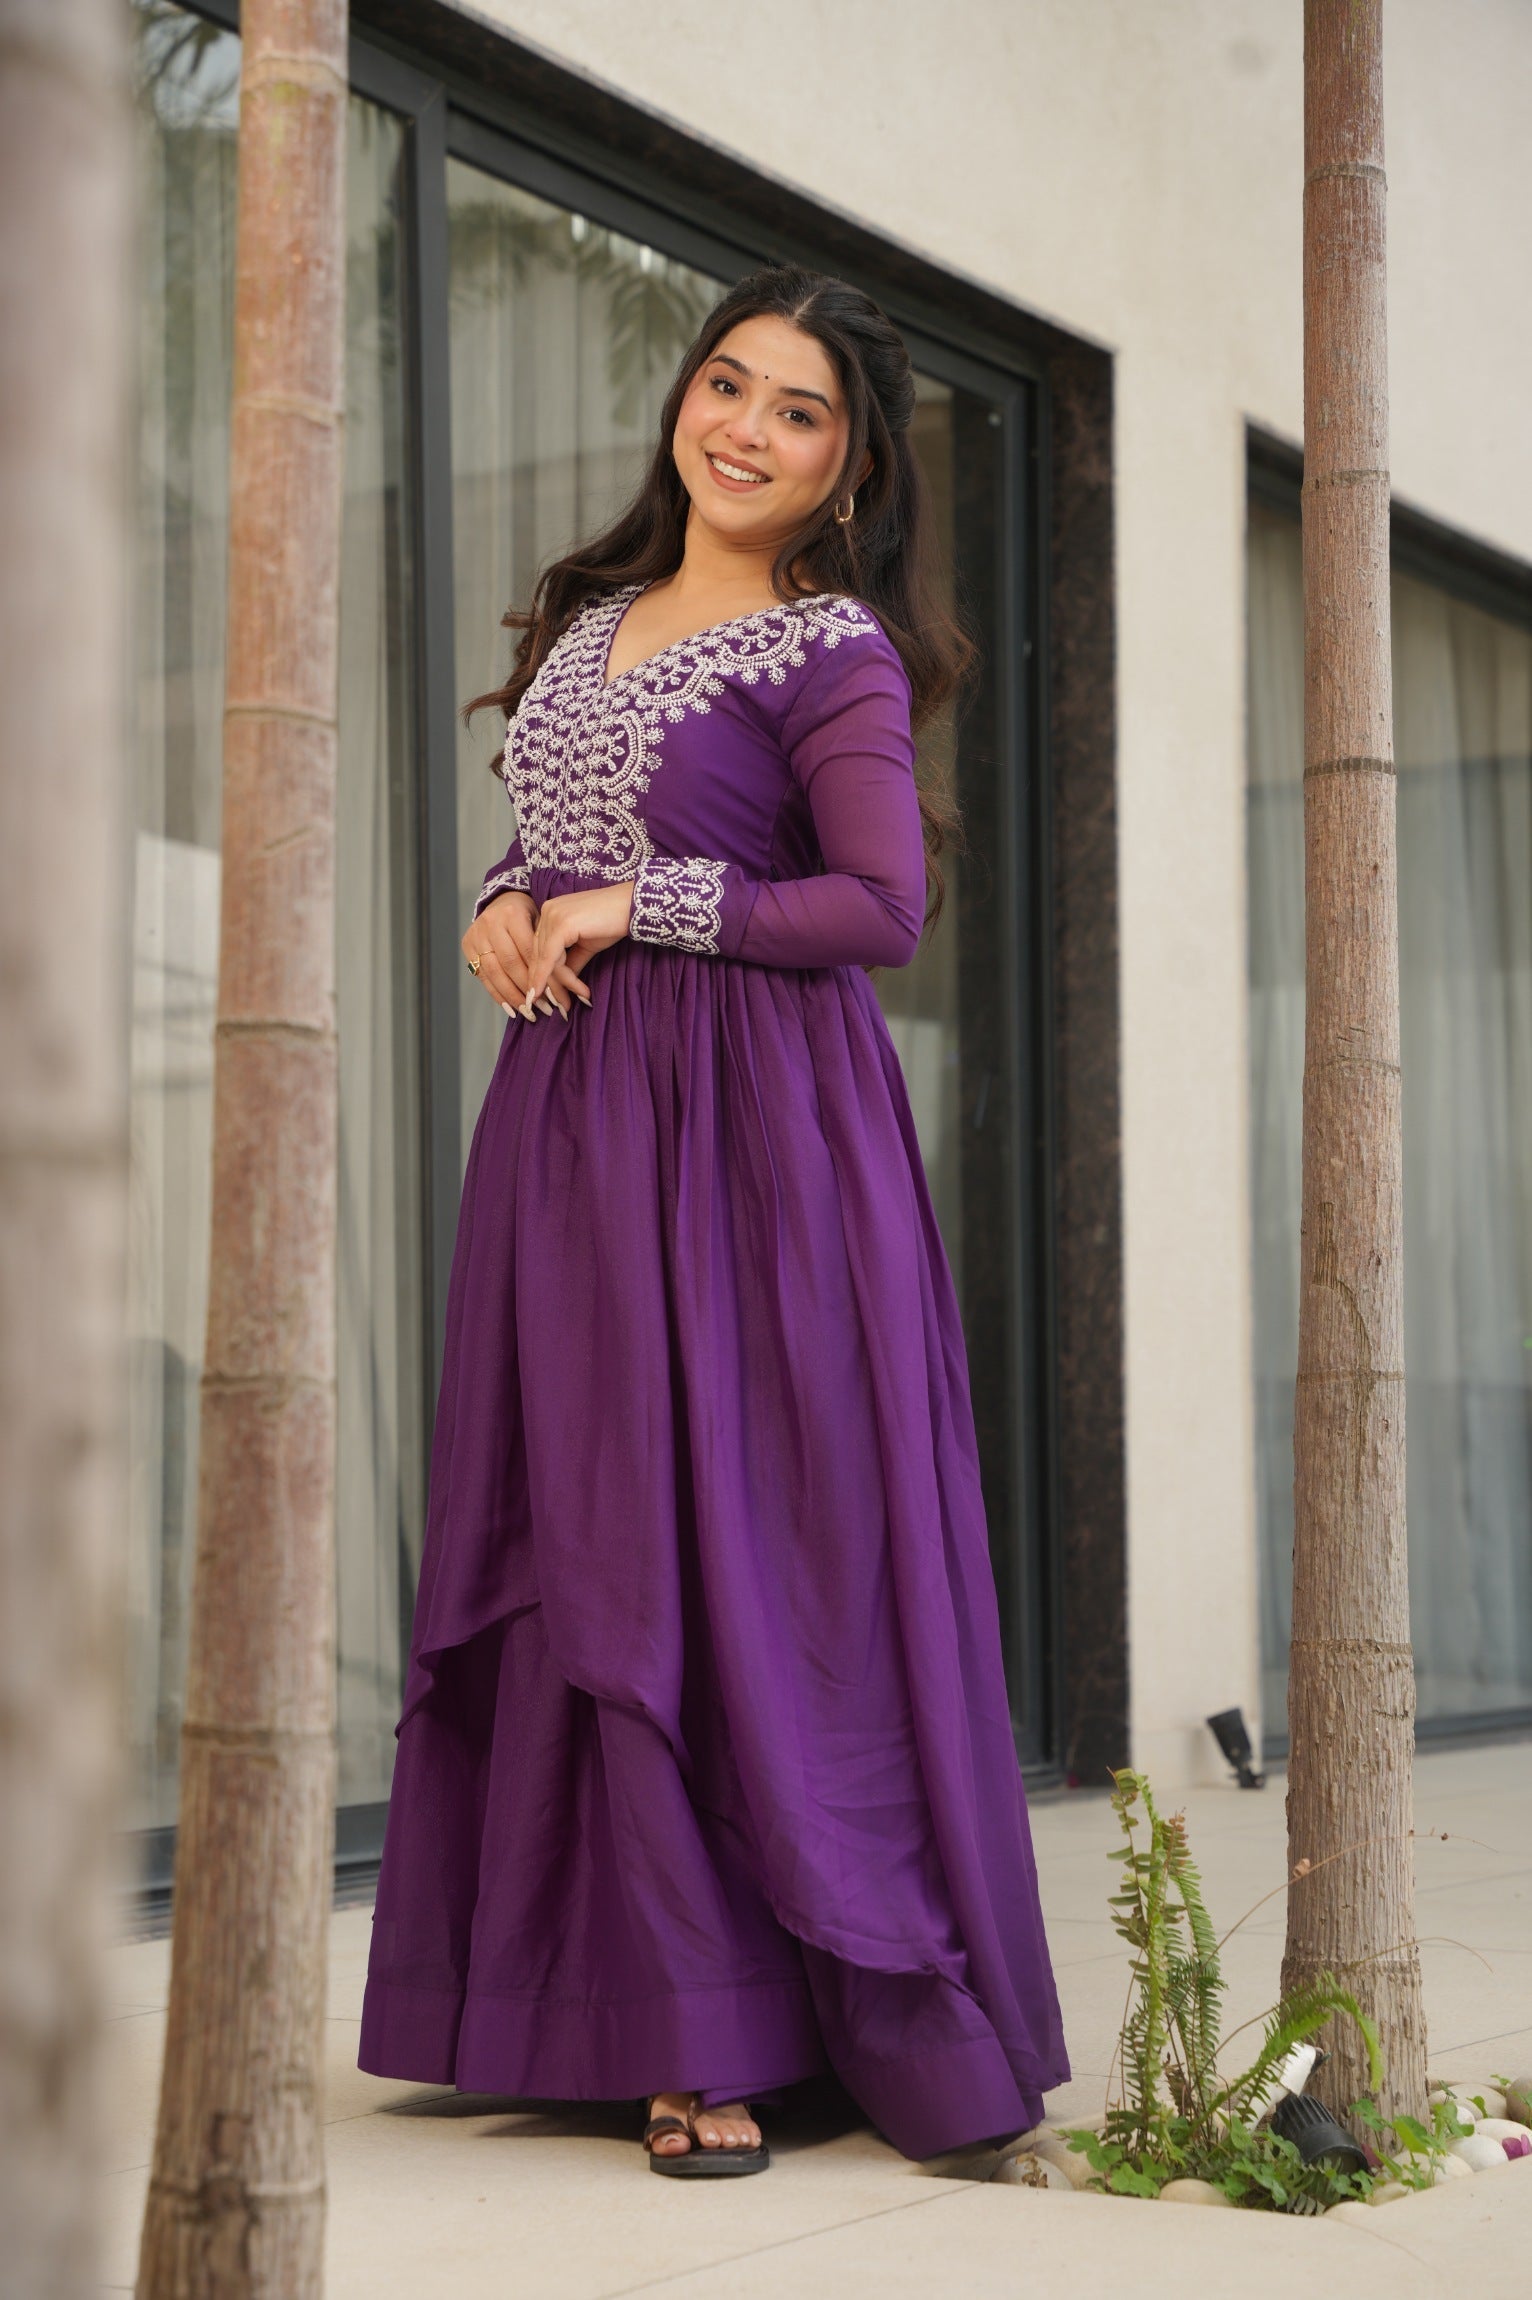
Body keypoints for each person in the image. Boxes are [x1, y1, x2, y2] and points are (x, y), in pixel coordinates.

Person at [358, 264, 1068, 2179]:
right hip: (574, 1131)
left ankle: (726, 2033)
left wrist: (636, 905)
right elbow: (555, 842)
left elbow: (879, 906)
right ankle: (587, 1997)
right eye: (727, 383)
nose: (744, 428)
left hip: (756, 1149)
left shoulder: (830, 648)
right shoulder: (592, 616)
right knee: (580, 1528)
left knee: (730, 1552)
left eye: (798, 411)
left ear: (852, 468)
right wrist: (506, 901)